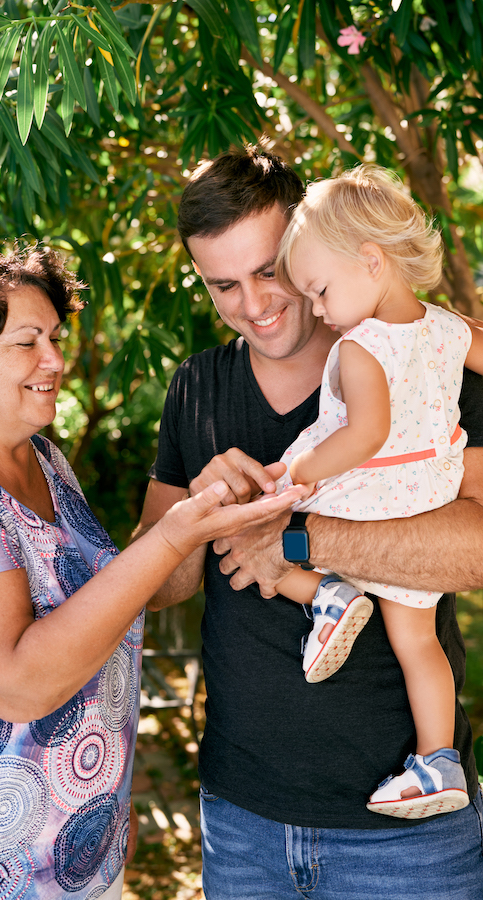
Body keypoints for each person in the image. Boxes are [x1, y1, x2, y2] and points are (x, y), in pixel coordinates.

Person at [0, 247, 295, 899]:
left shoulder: (45, 460)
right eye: (26, 342)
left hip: (79, 862)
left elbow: (119, 600)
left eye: (53, 337)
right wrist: (175, 531)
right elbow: (19, 684)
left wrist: (202, 507)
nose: (54, 360)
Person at [136, 145, 483, 900]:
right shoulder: (197, 385)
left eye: (269, 271)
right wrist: (197, 513)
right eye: (222, 284)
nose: (253, 303)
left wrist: (295, 538)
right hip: (243, 821)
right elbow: (157, 588)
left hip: (408, 840)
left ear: (309, 245)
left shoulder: (420, 359)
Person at [266, 165, 483, 818]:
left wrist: (296, 476)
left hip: (366, 491)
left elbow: (364, 435)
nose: (321, 311)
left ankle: (327, 596)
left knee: (263, 536)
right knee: (420, 643)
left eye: (322, 291)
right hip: (427, 496)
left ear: (371, 261)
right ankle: (438, 760)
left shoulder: (361, 347)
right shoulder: (447, 327)